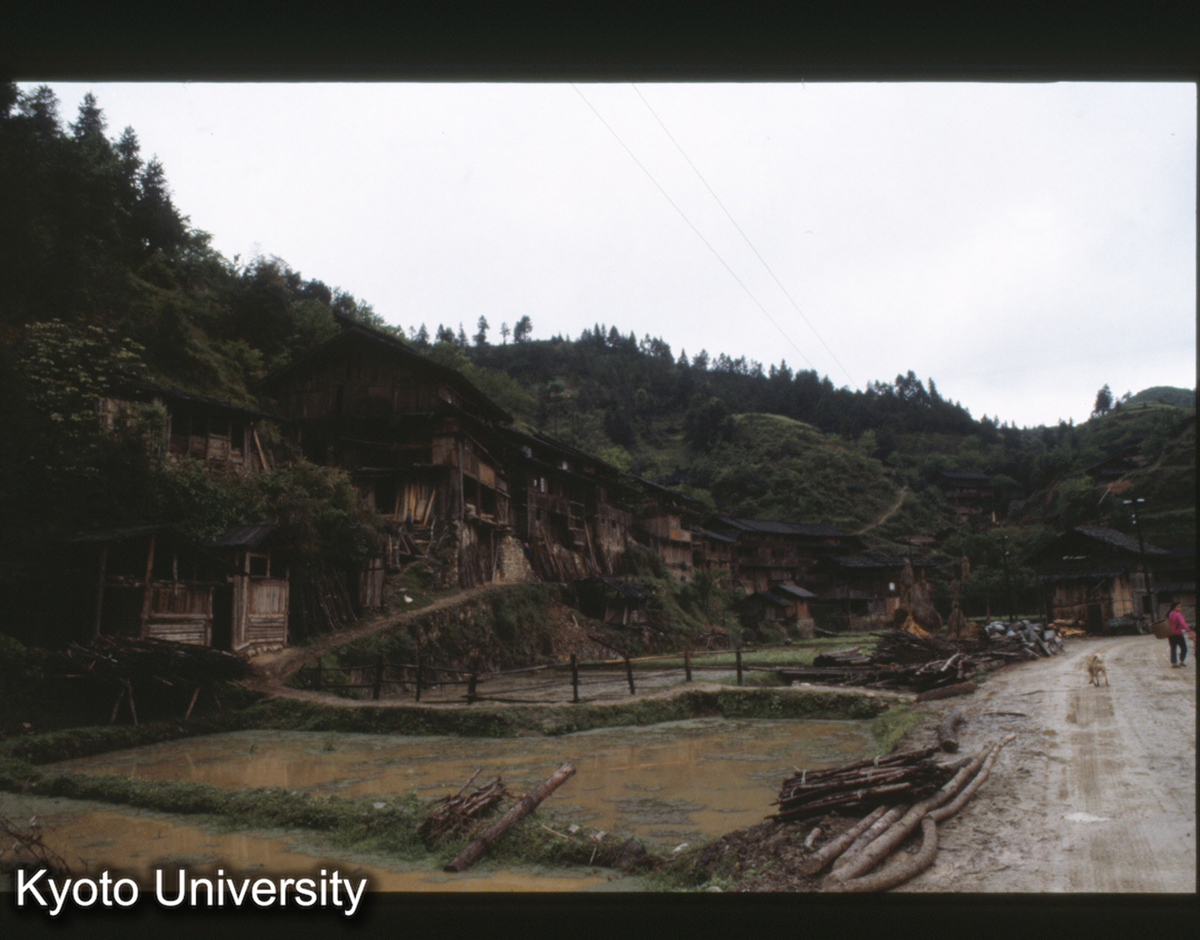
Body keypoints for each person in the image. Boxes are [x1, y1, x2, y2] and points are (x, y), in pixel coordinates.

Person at [1166, 599, 1192, 667]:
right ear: (1174, 607)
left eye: (1180, 607)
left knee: (1173, 648)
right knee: (1184, 648)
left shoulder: (1169, 614)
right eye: (1178, 607)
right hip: (1178, 634)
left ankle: (1174, 663)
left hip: (1170, 634)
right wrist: (1188, 630)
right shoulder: (1178, 614)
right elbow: (1182, 623)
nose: (1180, 608)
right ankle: (1181, 661)